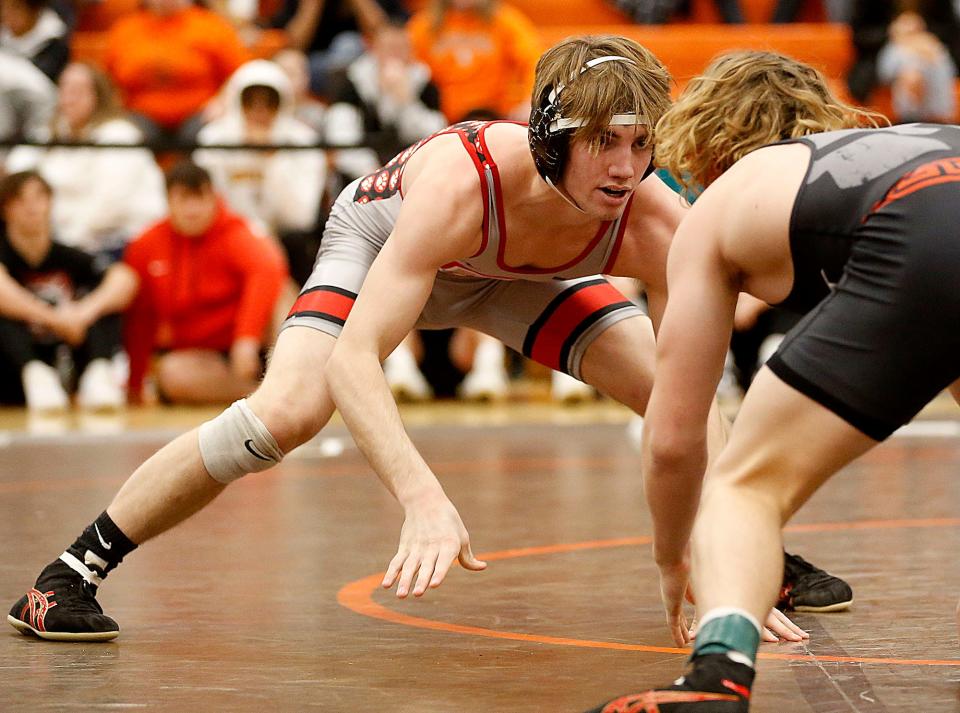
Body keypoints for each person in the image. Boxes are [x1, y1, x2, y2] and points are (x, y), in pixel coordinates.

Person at [8, 36, 831, 643]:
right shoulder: (461, 185)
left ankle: (758, 559)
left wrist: (701, 564)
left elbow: (690, 412)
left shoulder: (654, 220)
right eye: (602, 140)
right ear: (549, 137)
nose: (625, 167)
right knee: (286, 411)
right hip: (389, 238)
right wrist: (422, 496)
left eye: (639, 141)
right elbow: (354, 358)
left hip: (521, 272)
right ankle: (70, 572)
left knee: (669, 384)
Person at [584, 51, 960, 713]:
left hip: (920, 231)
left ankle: (715, 676)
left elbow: (676, 439)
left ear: (710, 147)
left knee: (742, 485)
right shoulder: (887, 149)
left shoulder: (732, 192)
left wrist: (677, 559)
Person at [122, 161, 290, 406]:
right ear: (168, 202)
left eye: (199, 198)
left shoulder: (236, 232)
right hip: (204, 356)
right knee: (171, 374)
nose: (193, 209)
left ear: (213, 198)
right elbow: (140, 315)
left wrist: (246, 338)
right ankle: (264, 395)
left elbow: (268, 271)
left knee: (284, 294)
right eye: (183, 200)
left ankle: (288, 379)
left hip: (256, 344)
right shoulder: (146, 246)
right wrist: (134, 383)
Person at [0, 171, 138, 411]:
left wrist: (84, 312)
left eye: (38, 198)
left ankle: (97, 373)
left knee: (100, 298)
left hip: (68, 348)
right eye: (20, 200)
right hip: (13, 364)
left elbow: (124, 279)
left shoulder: (67, 254)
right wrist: (54, 319)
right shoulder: (5, 253)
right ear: (6, 209)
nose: (31, 207)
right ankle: (35, 375)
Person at [5, 62, 167, 262]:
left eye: (78, 91)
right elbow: (16, 170)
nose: (69, 98)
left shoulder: (119, 135)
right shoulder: (52, 132)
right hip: (62, 240)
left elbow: (109, 204)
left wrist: (64, 245)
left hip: (120, 240)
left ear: (98, 96)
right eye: (64, 89)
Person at [193, 58, 326, 285]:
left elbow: (300, 217)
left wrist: (272, 158)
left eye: (269, 103)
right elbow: (208, 205)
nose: (259, 112)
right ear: (237, 102)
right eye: (250, 103)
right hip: (226, 238)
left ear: (283, 104)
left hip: (285, 239)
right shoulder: (214, 139)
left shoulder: (302, 141)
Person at [103, 0, 251, 146]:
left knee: (211, 135)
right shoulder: (125, 30)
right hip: (140, 114)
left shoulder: (212, 26)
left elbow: (242, 74)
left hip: (200, 114)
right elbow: (106, 81)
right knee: (121, 135)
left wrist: (222, 101)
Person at [406, 0, 541, 122]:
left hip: (495, 117)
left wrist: (529, 100)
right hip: (441, 121)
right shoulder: (424, 26)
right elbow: (409, 69)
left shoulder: (505, 21)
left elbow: (534, 61)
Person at [0, 0, 70, 82]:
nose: (6, 14)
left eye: (16, 7)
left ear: (34, 9)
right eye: (3, 7)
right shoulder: (3, 36)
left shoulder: (55, 44)